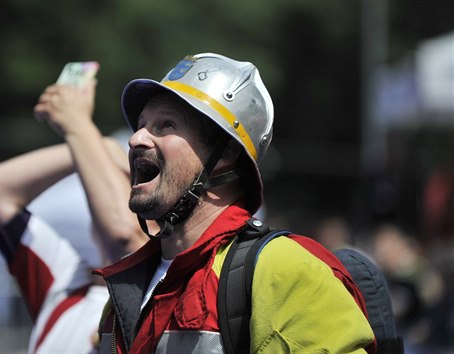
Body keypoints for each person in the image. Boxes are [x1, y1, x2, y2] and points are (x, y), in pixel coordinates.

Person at [94, 53, 375, 353]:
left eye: (166, 125)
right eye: (141, 124)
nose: (136, 138)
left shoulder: (287, 271)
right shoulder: (126, 287)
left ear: (226, 154)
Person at [0, 78, 146, 353]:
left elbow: (124, 236)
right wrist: (95, 147)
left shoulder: (158, 290)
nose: (99, 199)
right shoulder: (64, 281)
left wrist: (80, 129)